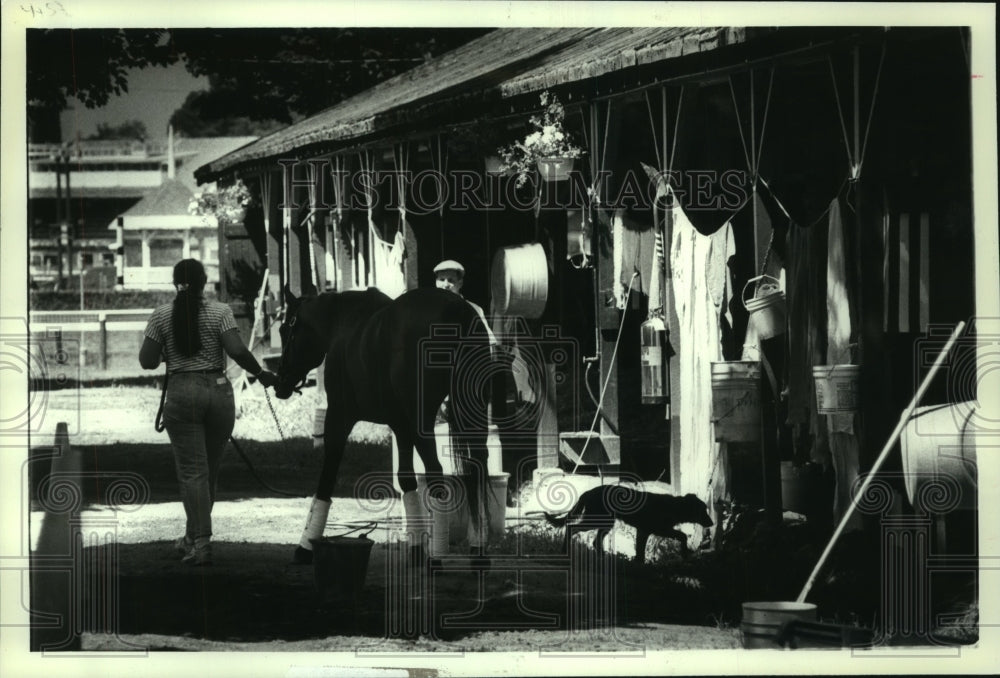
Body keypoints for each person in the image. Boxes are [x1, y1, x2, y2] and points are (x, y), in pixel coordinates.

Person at [139, 259, 278, 566]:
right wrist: (264, 375)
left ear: (175, 282)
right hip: (218, 391)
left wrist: (167, 352)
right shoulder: (221, 311)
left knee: (193, 473)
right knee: (208, 473)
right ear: (204, 282)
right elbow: (238, 351)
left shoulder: (161, 315)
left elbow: (146, 360)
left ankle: (201, 543)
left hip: (181, 391)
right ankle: (191, 538)